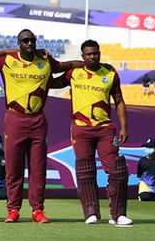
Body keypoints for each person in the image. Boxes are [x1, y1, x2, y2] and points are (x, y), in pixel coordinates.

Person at [0, 29, 74, 223]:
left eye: (32, 40)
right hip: (14, 119)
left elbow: (65, 67)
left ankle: (38, 210)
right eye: (25, 41)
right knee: (13, 167)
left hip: (37, 120)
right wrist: (11, 51)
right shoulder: (7, 61)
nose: (30, 43)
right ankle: (13, 210)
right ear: (19, 43)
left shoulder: (44, 61)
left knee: (38, 168)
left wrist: (88, 64)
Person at [49, 40, 132, 226]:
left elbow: (119, 100)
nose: (92, 56)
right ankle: (91, 213)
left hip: (105, 128)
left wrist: (124, 126)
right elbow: (51, 82)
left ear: (99, 53)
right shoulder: (74, 73)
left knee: (117, 170)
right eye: (88, 54)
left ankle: (117, 215)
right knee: (86, 172)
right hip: (81, 128)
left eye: (95, 53)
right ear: (82, 57)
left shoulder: (110, 73)